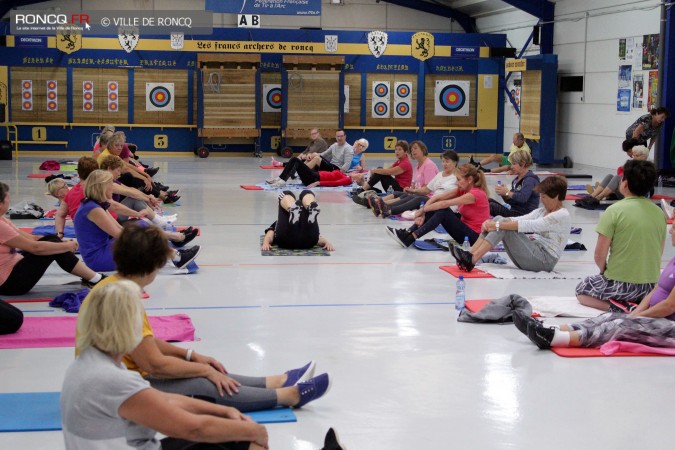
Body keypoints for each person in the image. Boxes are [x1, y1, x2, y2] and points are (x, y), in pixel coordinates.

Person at [76, 223, 332, 414]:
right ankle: (289, 395)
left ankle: (277, 381)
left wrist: (192, 356)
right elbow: (154, 363)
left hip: (116, 377)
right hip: (112, 392)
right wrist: (202, 369)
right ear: (154, 266)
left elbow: (144, 342)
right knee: (206, 382)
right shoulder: (123, 298)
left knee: (207, 371)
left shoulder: (116, 285)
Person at [65, 280, 270, 450]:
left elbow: (163, 399)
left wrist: (223, 412)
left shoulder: (89, 362)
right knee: (241, 439)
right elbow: (193, 428)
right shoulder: (111, 379)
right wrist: (254, 431)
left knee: (229, 435)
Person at [514, 223, 675, 350]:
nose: (670, 231)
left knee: (620, 326)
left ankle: (555, 338)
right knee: (608, 317)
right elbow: (655, 290)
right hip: (656, 315)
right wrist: (637, 313)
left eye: (673, 228)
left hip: (669, 325)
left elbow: (669, 306)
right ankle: (553, 328)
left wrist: (640, 316)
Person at [575, 159, 666, 311]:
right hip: (650, 287)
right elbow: (659, 252)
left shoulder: (614, 211)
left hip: (621, 286)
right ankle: (639, 305)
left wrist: (605, 272)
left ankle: (618, 307)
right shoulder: (659, 213)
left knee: (582, 290)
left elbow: (599, 255)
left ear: (624, 183)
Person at [73, 170, 200, 272]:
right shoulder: (94, 209)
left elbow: (118, 227)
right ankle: (176, 256)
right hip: (98, 259)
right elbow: (119, 235)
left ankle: (175, 254)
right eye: (110, 186)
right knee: (140, 232)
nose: (112, 188)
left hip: (103, 251)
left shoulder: (95, 204)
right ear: (101, 188)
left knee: (141, 226)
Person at [0, 182, 107, 295]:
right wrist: (65, 246)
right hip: (9, 283)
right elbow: (35, 248)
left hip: (14, 267)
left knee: (52, 240)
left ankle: (92, 277)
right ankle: (95, 278)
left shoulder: (2, 219)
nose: (10, 202)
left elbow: (33, 238)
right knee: (54, 248)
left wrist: (59, 243)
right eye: (8, 199)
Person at [451, 176, 571, 272]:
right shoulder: (541, 211)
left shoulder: (562, 215)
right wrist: (492, 222)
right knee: (499, 219)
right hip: (533, 252)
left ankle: (472, 260)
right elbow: (518, 219)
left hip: (545, 261)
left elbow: (530, 225)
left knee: (502, 224)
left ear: (556, 196)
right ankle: (469, 253)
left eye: (544, 197)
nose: (542, 200)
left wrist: (497, 225)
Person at [386, 164, 489, 248]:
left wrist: (422, 210)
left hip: (474, 238)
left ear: (470, 179)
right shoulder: (463, 190)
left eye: (459, 179)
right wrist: (423, 213)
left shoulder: (475, 194)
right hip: (465, 232)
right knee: (434, 208)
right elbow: (436, 198)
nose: (457, 183)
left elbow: (444, 203)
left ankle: (411, 238)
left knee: (443, 211)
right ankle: (408, 233)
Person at [367, 150, 458, 218]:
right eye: (443, 161)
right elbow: (426, 189)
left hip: (443, 204)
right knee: (410, 195)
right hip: (433, 200)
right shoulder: (439, 175)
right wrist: (413, 190)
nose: (444, 164)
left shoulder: (458, 177)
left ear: (455, 163)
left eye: (447, 161)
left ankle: (388, 209)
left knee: (417, 198)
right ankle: (382, 207)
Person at [575, 143, 649, 208]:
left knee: (617, 178)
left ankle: (599, 197)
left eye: (636, 156)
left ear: (643, 156)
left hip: (635, 192)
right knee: (610, 176)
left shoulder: (645, 168)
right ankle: (591, 196)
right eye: (633, 156)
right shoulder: (633, 165)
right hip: (629, 188)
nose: (633, 158)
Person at [262, 190, 334, 251]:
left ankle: (291, 209)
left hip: (286, 240)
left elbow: (270, 234)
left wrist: (266, 243)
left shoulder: (277, 224)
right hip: (308, 241)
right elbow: (317, 238)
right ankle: (310, 206)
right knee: (306, 192)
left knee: (285, 193)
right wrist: (326, 243)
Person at [489, 149, 540, 217]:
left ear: (522, 163)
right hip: (515, 211)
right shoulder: (516, 180)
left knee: (491, 206)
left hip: (524, 215)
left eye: (514, 164)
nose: (511, 167)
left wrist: (507, 192)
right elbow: (512, 201)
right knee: (488, 200)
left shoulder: (530, 180)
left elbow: (523, 198)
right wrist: (504, 194)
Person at [264, 156, 352, 189]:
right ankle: (279, 179)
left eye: (359, 174)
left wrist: (318, 183)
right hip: (314, 175)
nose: (357, 173)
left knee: (295, 160)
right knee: (295, 160)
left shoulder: (348, 180)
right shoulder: (345, 174)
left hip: (314, 178)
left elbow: (335, 183)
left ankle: (282, 181)